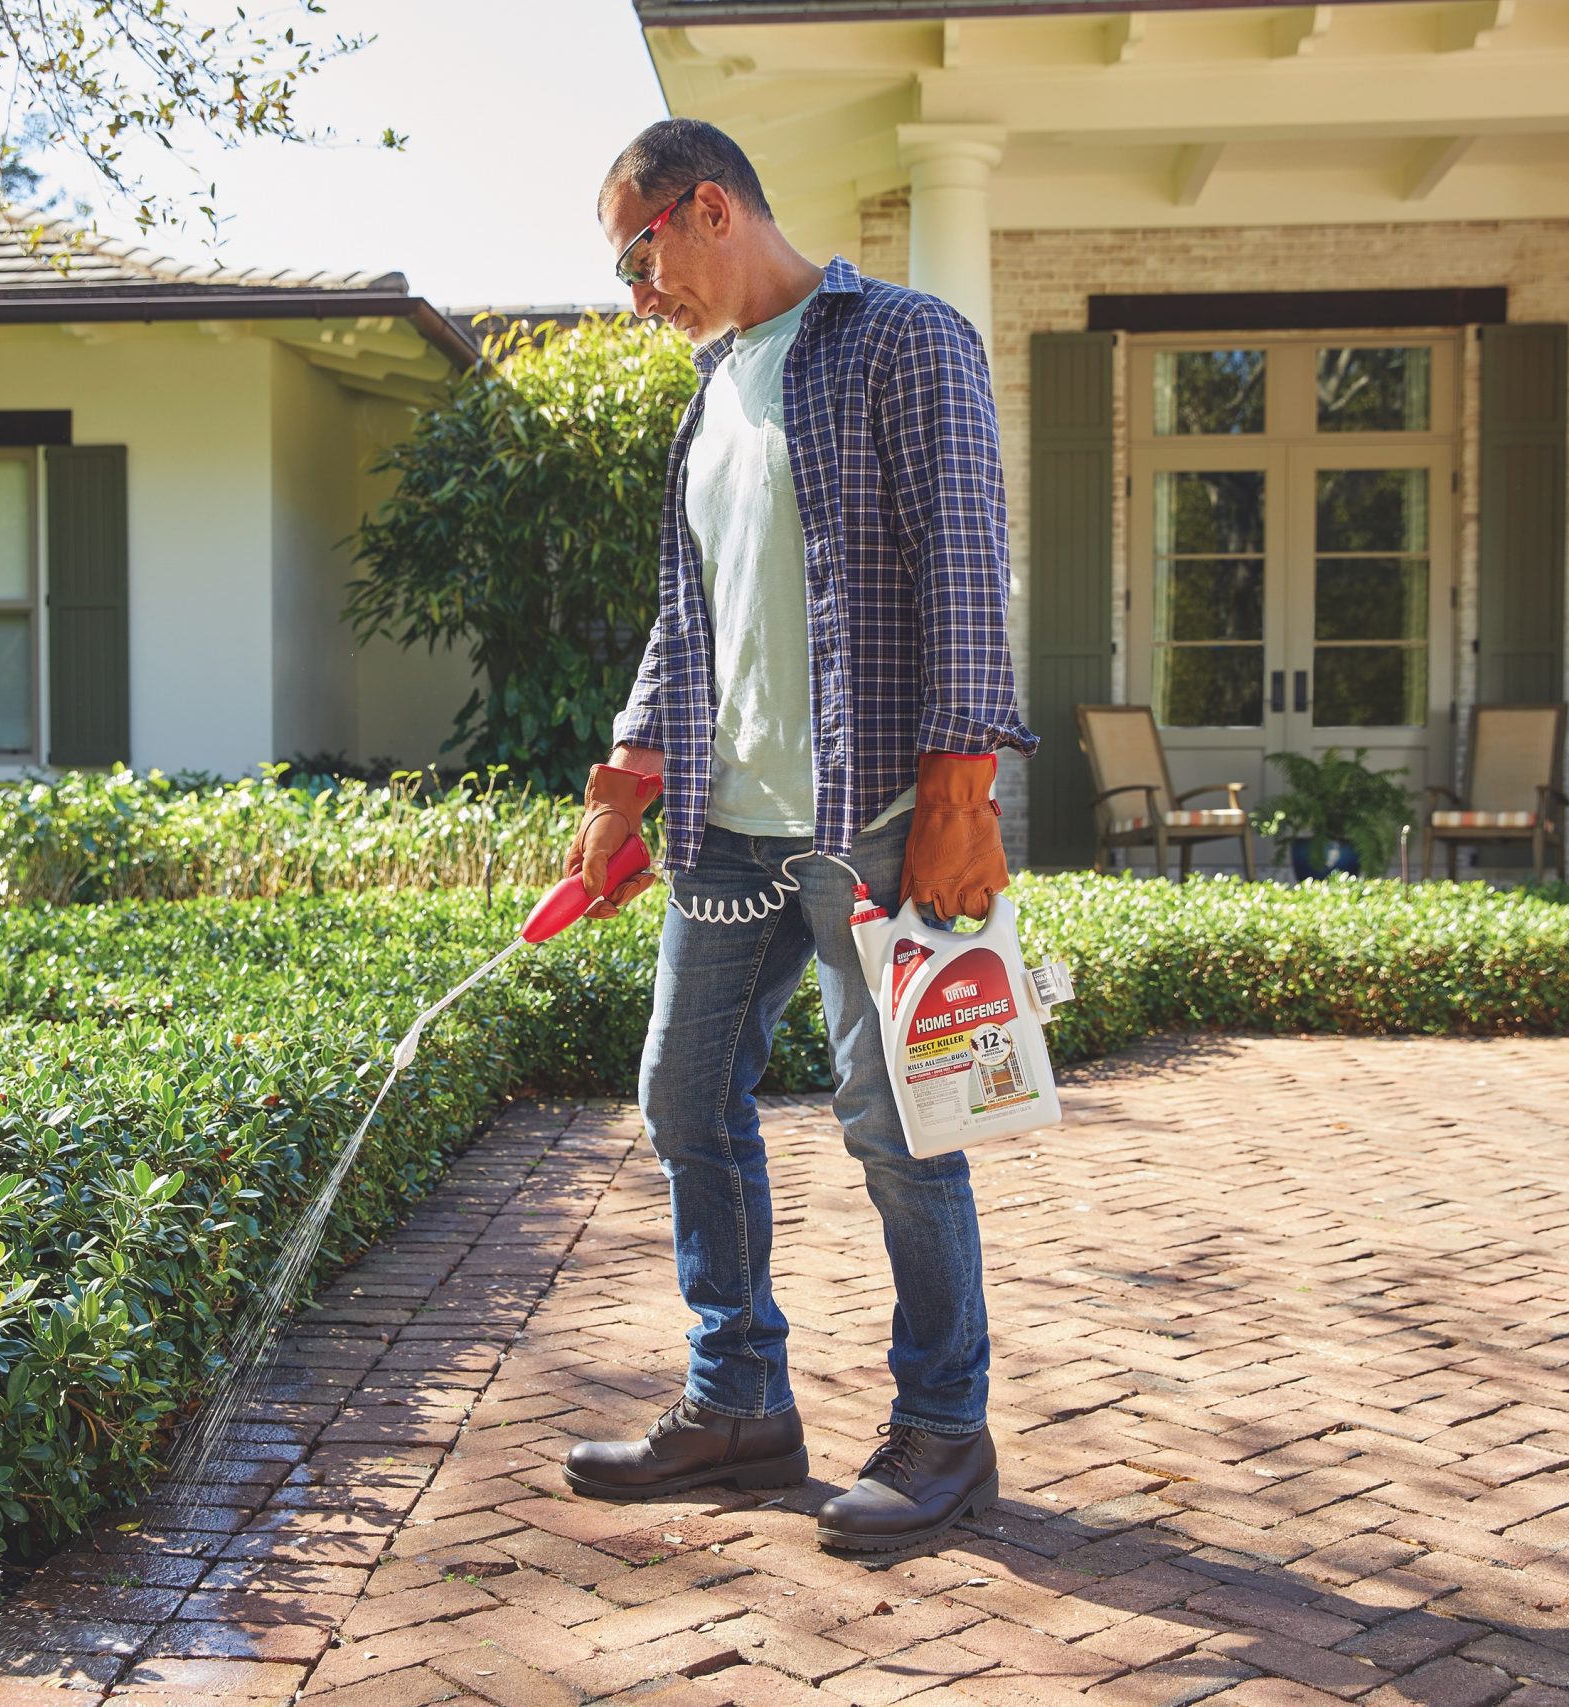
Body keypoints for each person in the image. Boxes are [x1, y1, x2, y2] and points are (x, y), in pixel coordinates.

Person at [558, 118, 1038, 1554]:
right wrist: (627, 781)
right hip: (731, 833)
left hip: (876, 823)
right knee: (681, 1096)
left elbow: (965, 569)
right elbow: (689, 611)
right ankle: (742, 1407)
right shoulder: (712, 397)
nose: (639, 297)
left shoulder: (904, 339)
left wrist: (964, 800)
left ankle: (946, 1432)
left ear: (706, 209)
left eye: (638, 259)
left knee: (898, 1131)